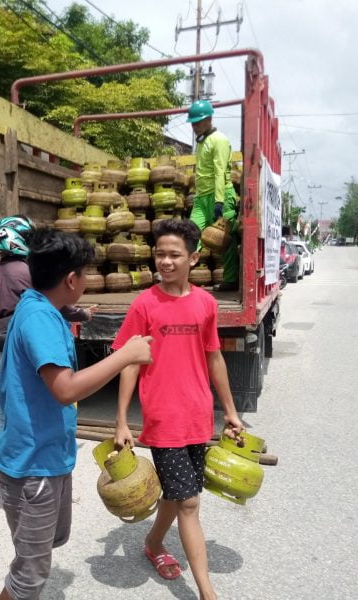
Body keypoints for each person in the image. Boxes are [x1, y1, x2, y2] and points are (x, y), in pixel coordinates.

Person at [0, 229, 153, 600]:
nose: (87, 281)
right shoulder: (40, 319)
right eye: (85, 274)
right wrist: (124, 356)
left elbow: (57, 312)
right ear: (71, 279)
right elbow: (64, 389)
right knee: (30, 574)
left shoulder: (39, 306)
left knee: (44, 549)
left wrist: (75, 312)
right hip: (33, 466)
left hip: (46, 458)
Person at [112, 219, 243, 600]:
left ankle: (153, 543)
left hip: (198, 415)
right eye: (160, 254)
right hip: (164, 417)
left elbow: (214, 358)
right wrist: (121, 419)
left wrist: (230, 411)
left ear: (193, 258)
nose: (165, 262)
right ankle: (206, 592)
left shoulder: (205, 304)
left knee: (177, 490)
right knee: (189, 501)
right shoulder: (144, 304)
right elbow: (129, 363)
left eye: (174, 255)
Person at [0, 215, 93, 476]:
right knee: (27, 406)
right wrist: (83, 315)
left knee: (8, 404)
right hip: (26, 349)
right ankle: (15, 459)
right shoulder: (27, 277)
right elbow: (57, 300)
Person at [187, 99, 240, 292]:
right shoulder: (202, 143)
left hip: (221, 195)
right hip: (202, 198)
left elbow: (219, 171)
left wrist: (219, 201)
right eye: (193, 123)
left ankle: (231, 279)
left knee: (226, 240)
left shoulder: (220, 140)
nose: (195, 126)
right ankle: (178, 276)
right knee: (190, 233)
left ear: (209, 119)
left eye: (198, 122)